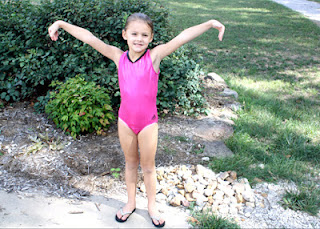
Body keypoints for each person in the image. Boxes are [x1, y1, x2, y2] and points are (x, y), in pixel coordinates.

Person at [48, 12, 224, 228]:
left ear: (151, 38)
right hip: (125, 122)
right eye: (134, 34)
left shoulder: (154, 57)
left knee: (148, 167)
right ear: (125, 35)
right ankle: (130, 202)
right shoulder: (117, 56)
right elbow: (90, 38)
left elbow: (181, 37)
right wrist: (61, 23)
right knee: (131, 163)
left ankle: (152, 206)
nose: (139, 39)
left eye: (144, 35)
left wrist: (208, 23)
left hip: (148, 124)